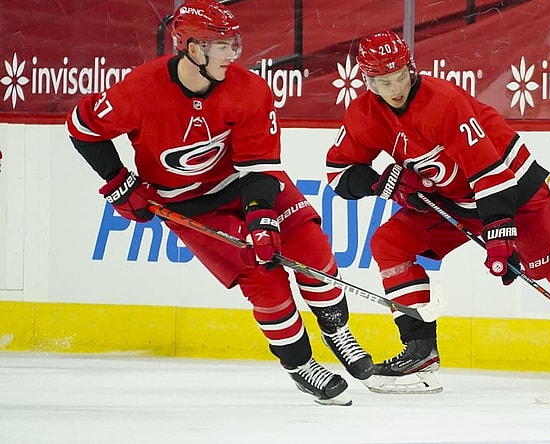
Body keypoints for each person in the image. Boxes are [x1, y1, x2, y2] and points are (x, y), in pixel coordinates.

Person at [324, 30, 550, 394]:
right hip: (451, 200)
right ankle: (420, 351)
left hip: (514, 191)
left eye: (401, 76)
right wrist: (388, 183)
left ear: (412, 69)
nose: (396, 88)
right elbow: (338, 173)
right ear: (368, 81)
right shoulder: (364, 114)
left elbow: (489, 173)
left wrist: (499, 237)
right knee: (389, 242)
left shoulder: (443, 102)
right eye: (384, 81)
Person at [65, 0, 372, 406]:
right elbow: (82, 128)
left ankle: (336, 330)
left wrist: (261, 219)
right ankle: (301, 365)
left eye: (233, 43)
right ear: (192, 48)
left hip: (246, 184)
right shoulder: (138, 90)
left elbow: (259, 170)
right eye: (222, 45)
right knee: (263, 281)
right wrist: (119, 182)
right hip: (190, 205)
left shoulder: (249, 91)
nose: (234, 53)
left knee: (312, 251)